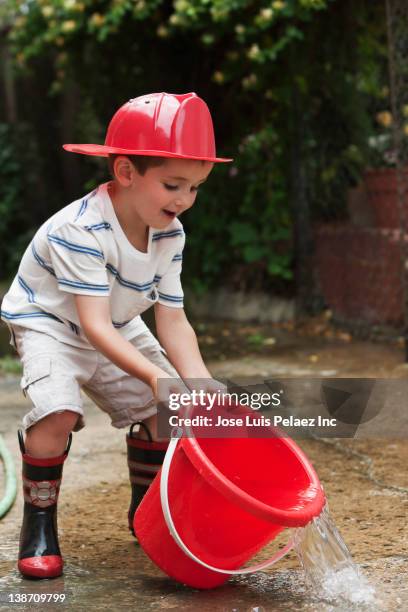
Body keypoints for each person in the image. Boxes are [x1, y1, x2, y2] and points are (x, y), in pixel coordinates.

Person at [0, 92, 232, 579]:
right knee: (57, 413)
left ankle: (147, 514)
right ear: (126, 172)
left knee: (169, 409)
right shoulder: (80, 230)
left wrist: (200, 381)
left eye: (196, 188)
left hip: (117, 323)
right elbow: (92, 325)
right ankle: (38, 524)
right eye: (173, 185)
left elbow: (171, 318)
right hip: (51, 326)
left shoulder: (170, 232)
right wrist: (156, 376)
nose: (184, 201)